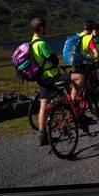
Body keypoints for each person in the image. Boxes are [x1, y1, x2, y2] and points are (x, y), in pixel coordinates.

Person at [29, 17, 61, 146]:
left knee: (43, 104)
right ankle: (66, 116)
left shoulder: (32, 42)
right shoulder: (42, 44)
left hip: (41, 78)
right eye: (45, 27)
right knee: (77, 78)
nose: (46, 29)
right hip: (49, 76)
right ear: (41, 28)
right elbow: (53, 60)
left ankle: (42, 134)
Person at [70, 20, 99, 102]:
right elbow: (96, 54)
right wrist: (95, 59)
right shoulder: (88, 38)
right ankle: (75, 105)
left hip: (73, 63)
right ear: (91, 30)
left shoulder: (77, 36)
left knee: (77, 85)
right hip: (82, 64)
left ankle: (75, 106)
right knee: (85, 84)